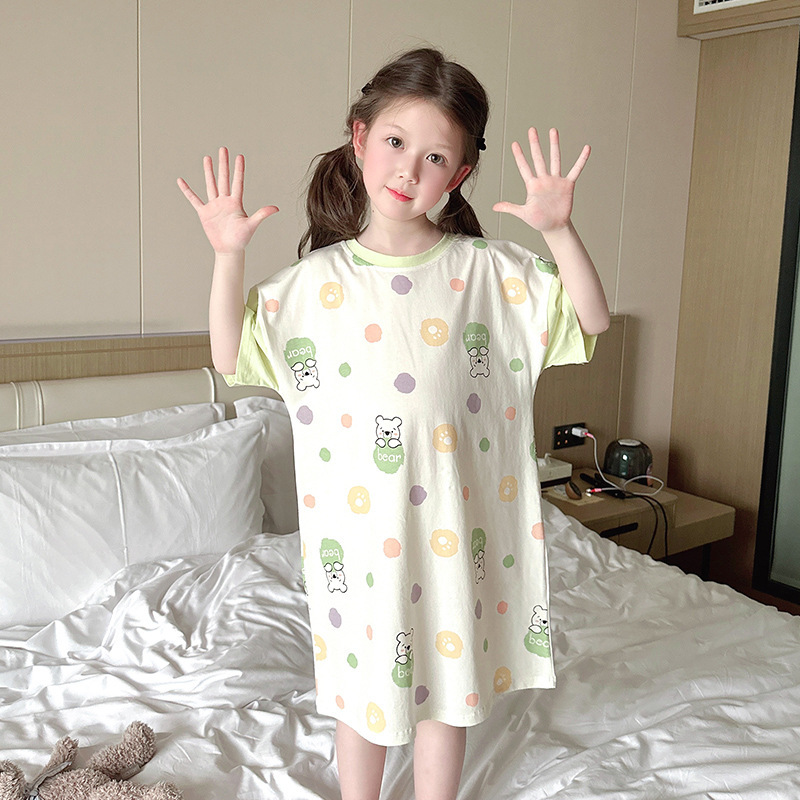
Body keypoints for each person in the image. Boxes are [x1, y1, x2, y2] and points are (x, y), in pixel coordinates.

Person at [178, 46, 608, 800]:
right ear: (360, 139)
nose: (409, 169)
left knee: (449, 682)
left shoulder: (489, 273)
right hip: (358, 537)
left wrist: (560, 231)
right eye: (395, 142)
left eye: (435, 156)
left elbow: (592, 319)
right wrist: (226, 255)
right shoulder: (313, 286)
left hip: (455, 526)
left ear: (460, 174)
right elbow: (228, 353)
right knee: (362, 688)